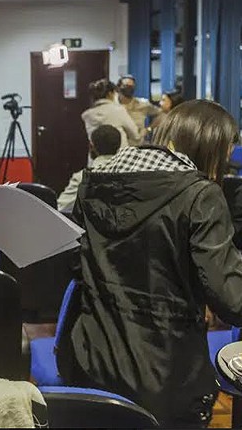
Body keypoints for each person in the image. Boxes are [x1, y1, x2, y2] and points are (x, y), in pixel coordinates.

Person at [57, 99, 242, 427]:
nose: (227, 163)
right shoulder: (201, 196)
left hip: (91, 360)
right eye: (226, 152)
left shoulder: (93, 182)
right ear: (210, 146)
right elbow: (232, 300)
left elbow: (76, 267)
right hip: (167, 377)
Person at [56, 124, 120, 212]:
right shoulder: (133, 173)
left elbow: (61, 209)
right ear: (118, 147)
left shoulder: (83, 177)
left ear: (91, 147)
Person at [81, 79, 140, 153]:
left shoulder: (88, 115)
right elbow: (135, 135)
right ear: (110, 94)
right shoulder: (118, 111)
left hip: (97, 159)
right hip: (119, 158)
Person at [117, 74, 160, 144]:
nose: (129, 88)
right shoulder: (113, 106)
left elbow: (160, 114)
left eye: (132, 86)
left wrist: (148, 129)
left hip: (137, 146)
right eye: (126, 86)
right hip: (118, 147)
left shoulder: (143, 104)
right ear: (118, 87)